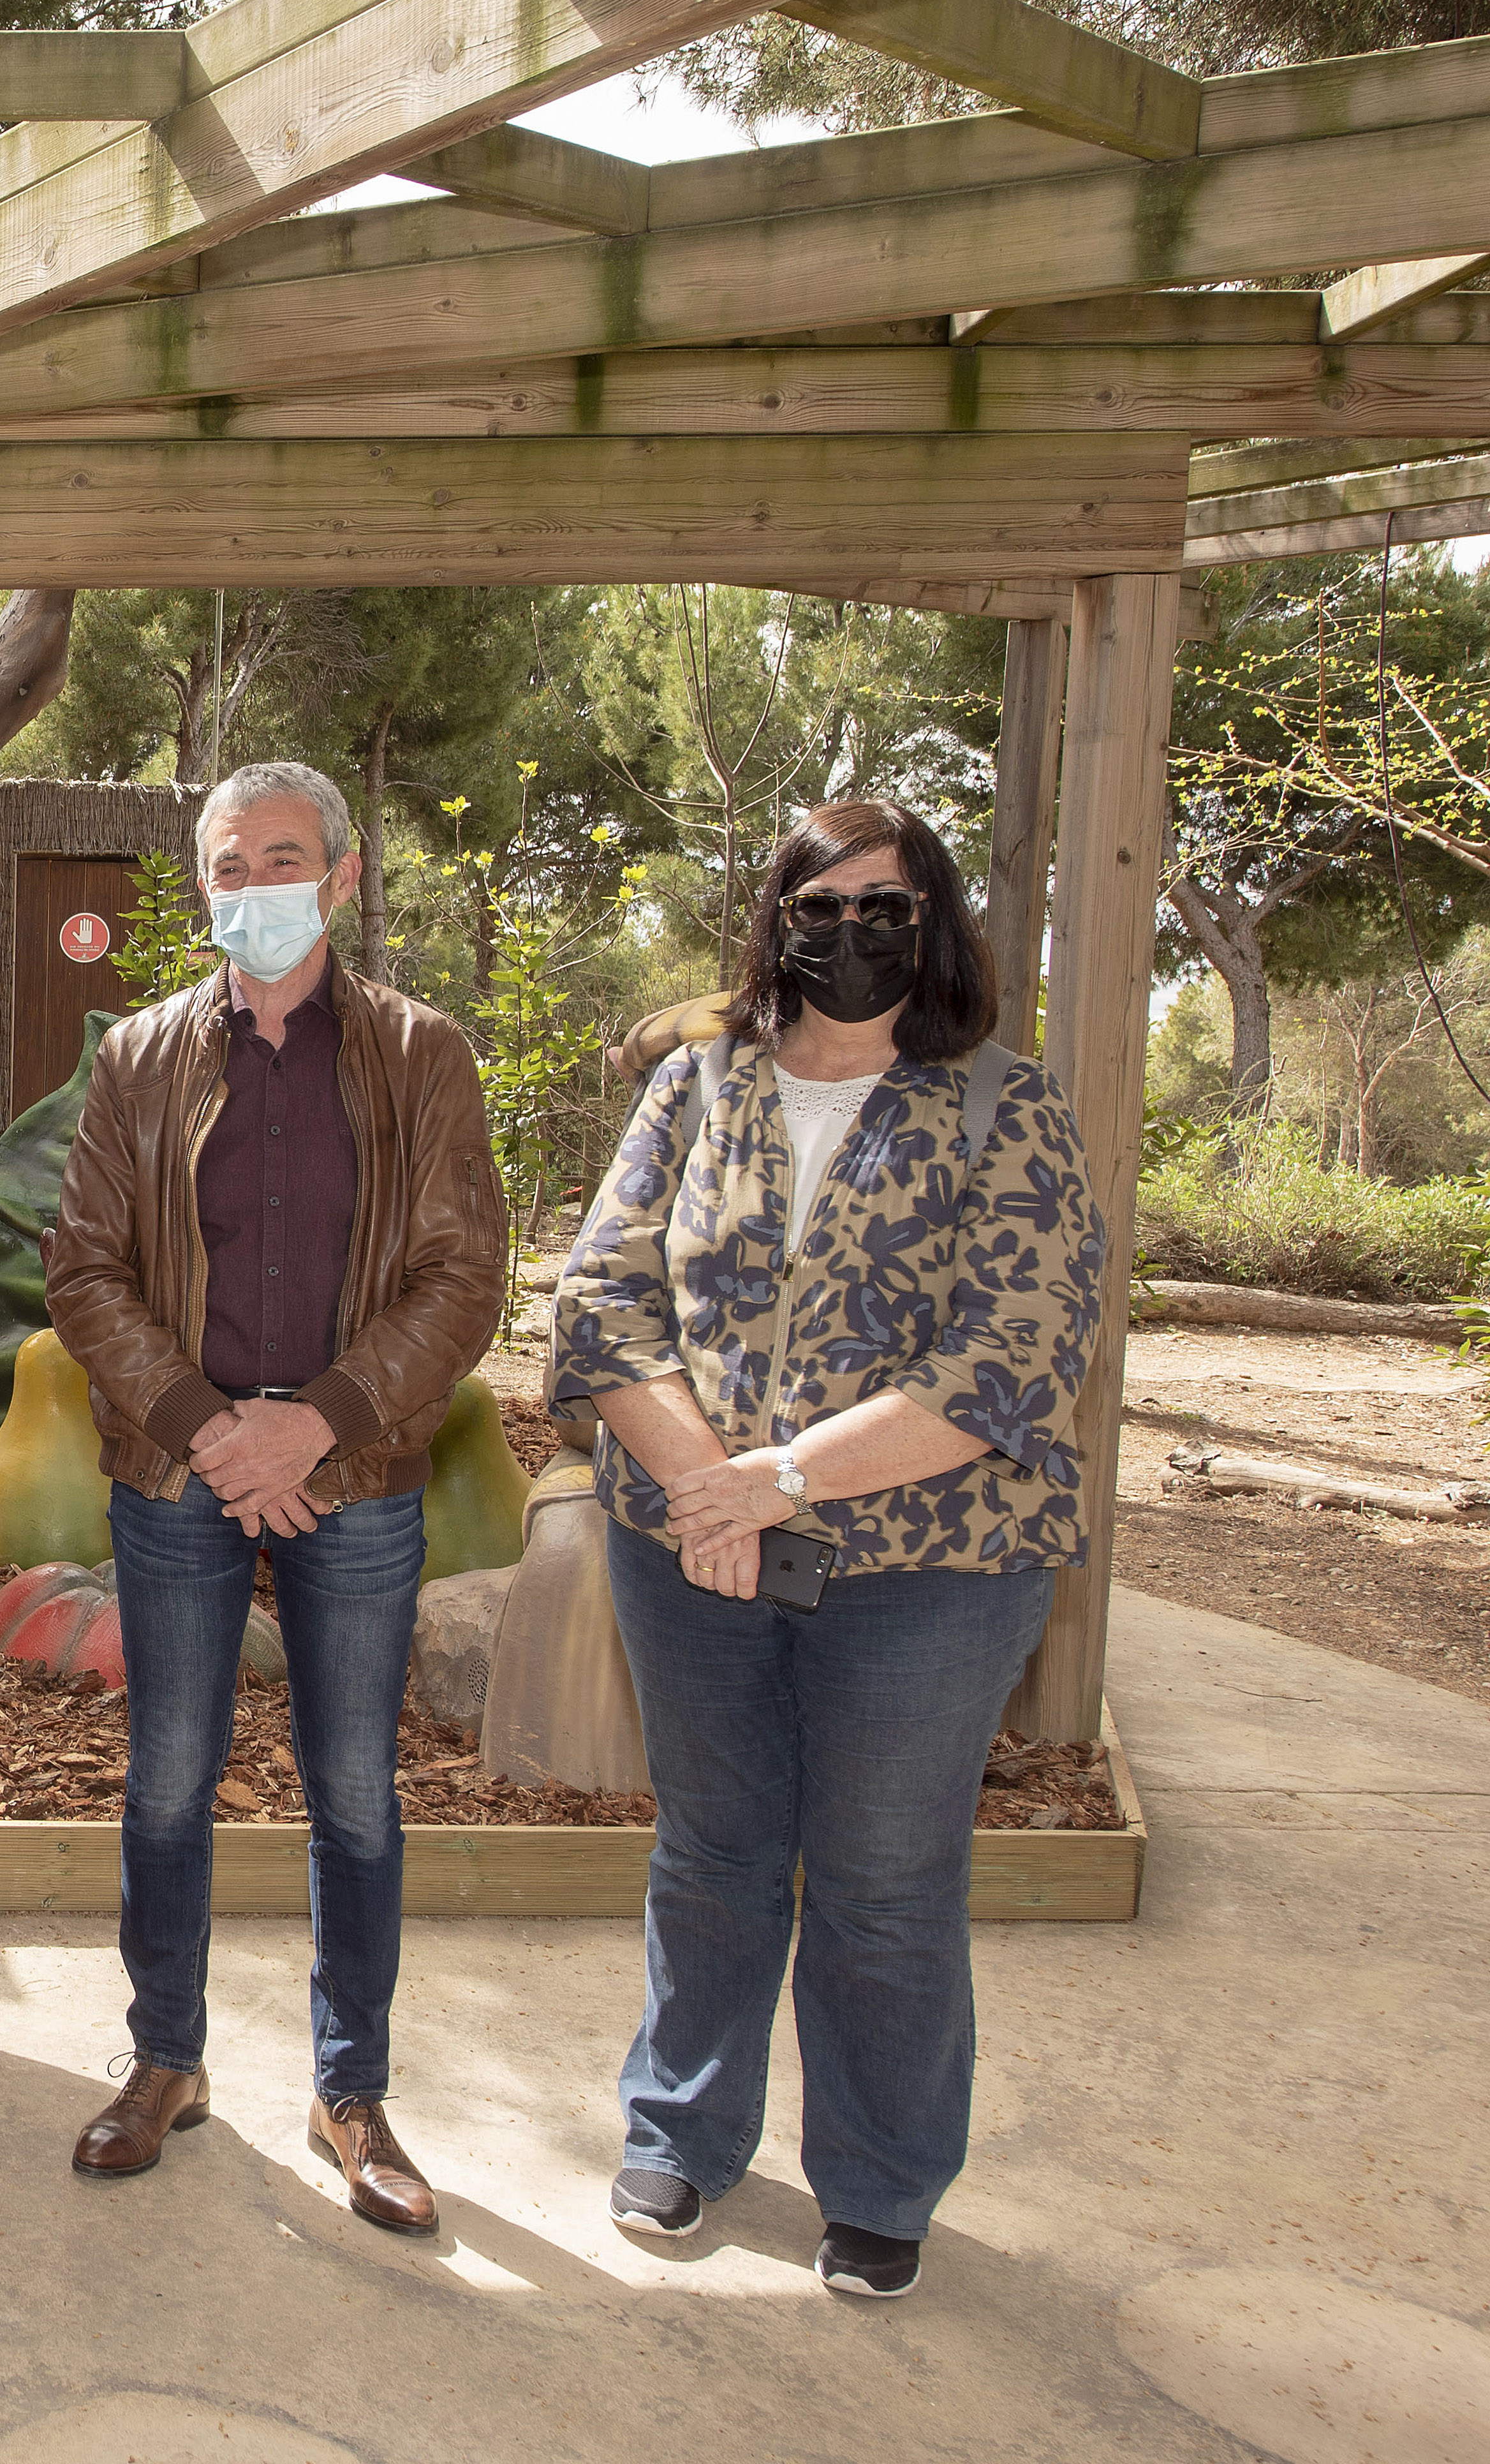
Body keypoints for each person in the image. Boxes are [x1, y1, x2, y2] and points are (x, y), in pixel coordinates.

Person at [552, 799, 1105, 2303]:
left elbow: (1012, 1358)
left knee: (882, 1876)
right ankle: (681, 2129)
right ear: (775, 918)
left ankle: (873, 2177)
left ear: (930, 921)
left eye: (886, 903)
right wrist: (703, 1489)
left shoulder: (1001, 1106)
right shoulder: (692, 1086)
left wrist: (778, 1480)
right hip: (690, 1548)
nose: (851, 930)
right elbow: (600, 1303)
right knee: (713, 1851)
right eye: (820, 901)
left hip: (928, 1569)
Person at [40, 760, 502, 2232]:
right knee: (165, 1781)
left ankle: (349, 2088)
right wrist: (205, 1429)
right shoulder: (139, 1059)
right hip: (175, 1473)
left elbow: (459, 1272)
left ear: (345, 874)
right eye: (229, 866)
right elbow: (84, 1270)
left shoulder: (423, 1056)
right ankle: (163, 2061)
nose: (255, 887)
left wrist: (313, 1425)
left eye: (284, 858)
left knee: (354, 1797)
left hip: (351, 1477)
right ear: (203, 885)